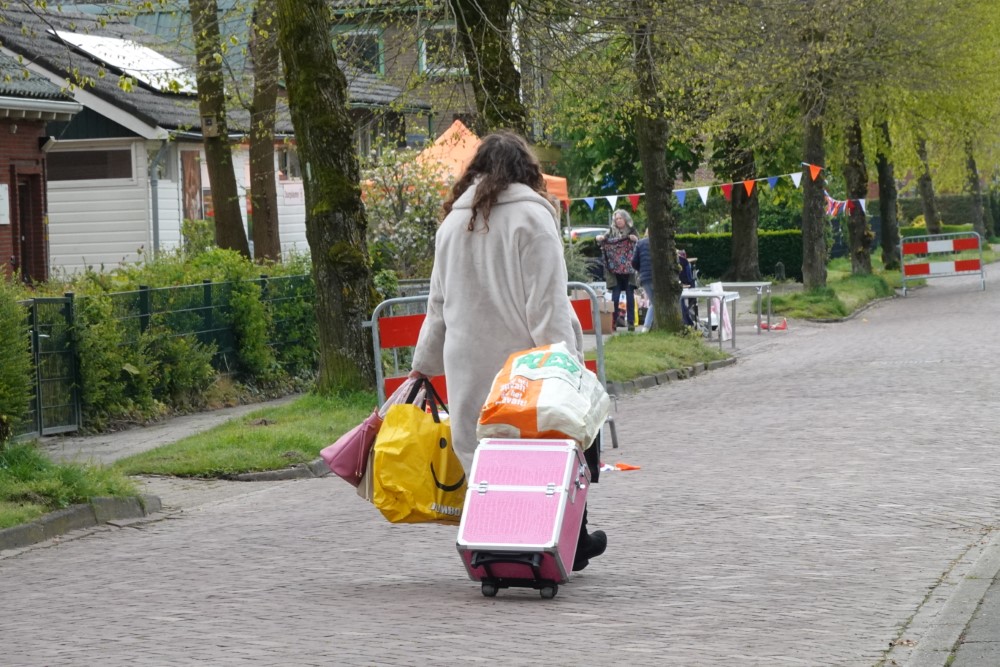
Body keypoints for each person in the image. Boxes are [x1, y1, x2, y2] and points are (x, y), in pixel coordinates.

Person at [409, 130, 606, 571]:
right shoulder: (534, 221)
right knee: (561, 444)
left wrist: (422, 366)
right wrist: (565, 366)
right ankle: (566, 535)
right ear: (526, 171)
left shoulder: (450, 226)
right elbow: (547, 304)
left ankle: (495, 542)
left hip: (467, 364)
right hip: (523, 367)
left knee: (484, 460)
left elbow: (436, 307)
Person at [596, 210, 639, 331]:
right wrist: (599, 238)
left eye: (620, 218)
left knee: (630, 296)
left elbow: (639, 244)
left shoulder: (632, 231)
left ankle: (631, 323)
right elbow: (601, 240)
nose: (618, 220)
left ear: (625, 219)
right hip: (614, 272)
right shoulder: (610, 232)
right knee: (615, 297)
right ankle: (613, 322)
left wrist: (634, 239)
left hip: (629, 271)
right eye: (616, 219)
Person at [631, 228, 653, 330]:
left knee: (654, 302)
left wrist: (641, 270)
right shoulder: (662, 243)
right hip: (658, 277)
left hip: (645, 277)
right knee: (655, 303)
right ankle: (646, 327)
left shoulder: (640, 243)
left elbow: (634, 262)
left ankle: (648, 327)